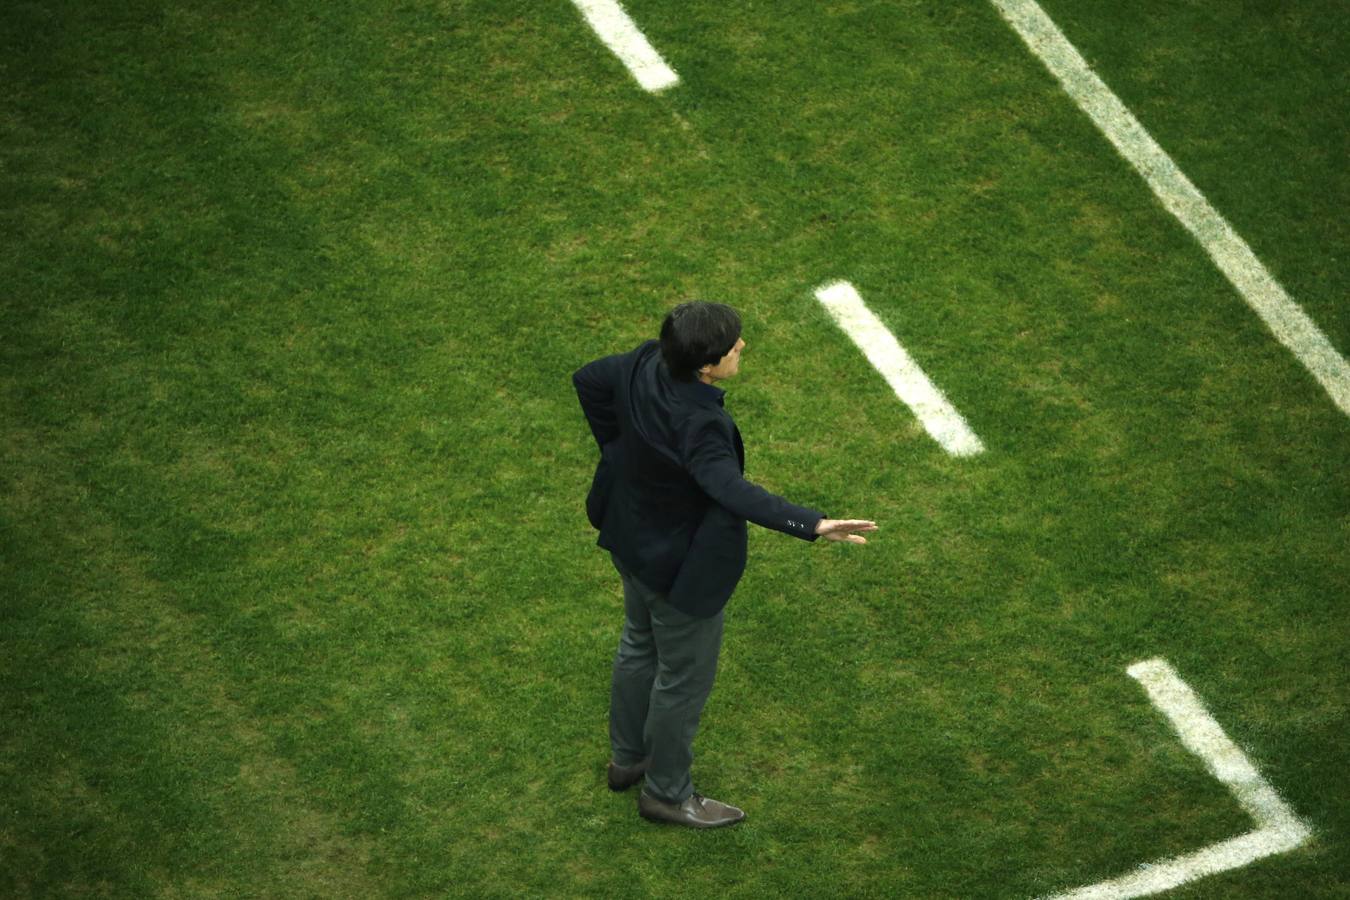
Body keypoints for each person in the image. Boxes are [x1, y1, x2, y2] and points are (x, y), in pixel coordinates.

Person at [572, 300, 877, 828]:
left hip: (630, 538)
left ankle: (628, 760)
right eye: (732, 345)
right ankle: (666, 794)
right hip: (679, 568)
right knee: (681, 680)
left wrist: (623, 456)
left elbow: (589, 381)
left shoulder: (645, 360)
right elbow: (730, 490)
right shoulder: (700, 421)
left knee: (638, 644)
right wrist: (815, 523)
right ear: (706, 367)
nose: (742, 347)